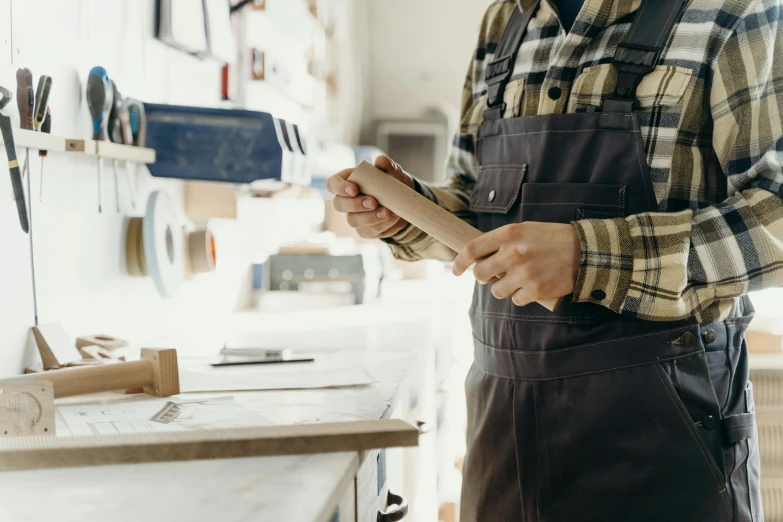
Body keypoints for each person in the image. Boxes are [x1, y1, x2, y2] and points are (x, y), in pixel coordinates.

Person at [327, 0, 781, 519]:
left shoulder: (733, 13)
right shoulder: (505, 22)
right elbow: (478, 209)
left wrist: (591, 255)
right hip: (501, 436)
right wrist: (408, 213)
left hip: (662, 439)